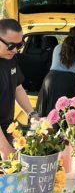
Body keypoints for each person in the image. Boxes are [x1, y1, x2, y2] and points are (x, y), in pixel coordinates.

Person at [36, 26, 75, 117]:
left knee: (47, 112)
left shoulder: (57, 47)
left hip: (50, 79)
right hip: (67, 81)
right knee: (64, 113)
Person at [0, 19, 38, 159]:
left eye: (19, 45)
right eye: (10, 45)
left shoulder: (10, 58)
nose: (15, 50)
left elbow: (17, 87)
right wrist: (5, 149)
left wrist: (32, 114)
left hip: (7, 128)